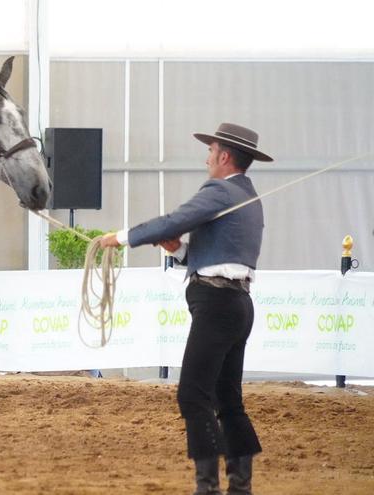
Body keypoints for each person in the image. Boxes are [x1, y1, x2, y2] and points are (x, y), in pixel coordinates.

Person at [101, 123, 273, 495]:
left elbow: (174, 220)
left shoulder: (219, 190)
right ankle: (240, 487)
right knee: (228, 399)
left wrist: (121, 238)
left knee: (193, 395)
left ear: (224, 156)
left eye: (211, 151)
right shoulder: (248, 197)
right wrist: (177, 251)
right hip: (238, 303)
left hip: (215, 303)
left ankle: (207, 488)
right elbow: (212, 255)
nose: (207, 157)